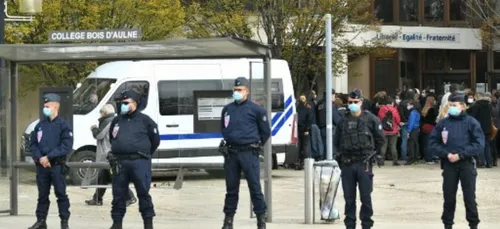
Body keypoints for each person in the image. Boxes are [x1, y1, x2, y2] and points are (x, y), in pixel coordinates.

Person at [220, 77, 270, 229]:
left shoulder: (257, 110)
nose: (237, 92)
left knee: (255, 187)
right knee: (231, 189)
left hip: (249, 152)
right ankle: (228, 220)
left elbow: (265, 132)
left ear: (247, 91)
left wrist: (254, 144)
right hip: (232, 153)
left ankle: (261, 220)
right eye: (235, 90)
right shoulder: (227, 109)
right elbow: (224, 128)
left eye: (240, 90)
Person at [428, 92, 484, 229]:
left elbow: (479, 144)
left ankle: (473, 224)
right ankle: (447, 224)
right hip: (449, 165)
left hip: (466, 164)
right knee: (449, 197)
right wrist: (446, 154)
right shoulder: (443, 123)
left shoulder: (471, 122)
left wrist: (461, 155)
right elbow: (433, 142)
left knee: (469, 197)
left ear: (463, 106)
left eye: (454, 105)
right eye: (450, 105)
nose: (451, 108)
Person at [108, 89, 160, 229]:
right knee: (118, 195)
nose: (123, 105)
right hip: (120, 162)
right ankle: (117, 223)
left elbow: (155, 140)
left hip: (139, 162)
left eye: (126, 102)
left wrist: (144, 153)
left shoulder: (145, 120)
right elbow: (112, 137)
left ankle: (148, 223)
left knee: (143, 193)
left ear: (135, 103)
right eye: (122, 103)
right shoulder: (117, 120)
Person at [334, 90, 385, 229]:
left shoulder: (371, 119)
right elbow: (336, 141)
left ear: (361, 102)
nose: (353, 105)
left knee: (366, 198)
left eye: (355, 102)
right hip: (348, 164)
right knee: (349, 199)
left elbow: (380, 139)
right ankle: (350, 225)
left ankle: (366, 225)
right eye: (350, 102)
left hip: (364, 163)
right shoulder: (343, 121)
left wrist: (375, 154)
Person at [29, 93, 74, 229]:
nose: (45, 108)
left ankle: (64, 222)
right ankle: (41, 221)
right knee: (42, 195)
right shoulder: (40, 125)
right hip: (42, 166)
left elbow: (66, 146)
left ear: (55, 107)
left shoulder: (64, 126)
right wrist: (40, 158)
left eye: (47, 106)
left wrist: (49, 157)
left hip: (56, 166)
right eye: (45, 106)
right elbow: (33, 144)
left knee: (61, 194)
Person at [84, 104, 137, 206]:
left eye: (100, 113)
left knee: (116, 177)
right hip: (110, 154)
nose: (99, 115)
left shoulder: (106, 121)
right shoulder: (116, 120)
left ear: (104, 113)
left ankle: (130, 197)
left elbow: (99, 135)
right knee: (102, 177)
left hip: (108, 154)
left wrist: (94, 128)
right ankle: (97, 199)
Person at [377, 96, 401, 166]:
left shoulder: (381, 109)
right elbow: (398, 120)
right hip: (393, 131)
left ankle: (381, 161)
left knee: (383, 146)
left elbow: (379, 118)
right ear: (392, 103)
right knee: (393, 146)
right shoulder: (394, 110)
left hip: (383, 131)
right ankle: (395, 161)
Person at [296, 94, 313, 169]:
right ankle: (301, 161)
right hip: (299, 130)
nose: (302, 100)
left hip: (304, 130)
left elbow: (309, 119)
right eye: (301, 98)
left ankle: (304, 162)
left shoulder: (307, 108)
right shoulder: (298, 108)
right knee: (302, 146)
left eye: (303, 98)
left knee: (305, 146)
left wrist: (307, 129)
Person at [405, 100, 421, 165]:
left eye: (408, 105)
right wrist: (405, 123)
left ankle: (411, 158)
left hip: (413, 130)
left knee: (411, 144)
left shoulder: (412, 113)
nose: (407, 106)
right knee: (415, 144)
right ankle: (415, 158)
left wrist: (408, 131)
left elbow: (411, 123)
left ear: (412, 105)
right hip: (416, 129)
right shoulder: (417, 112)